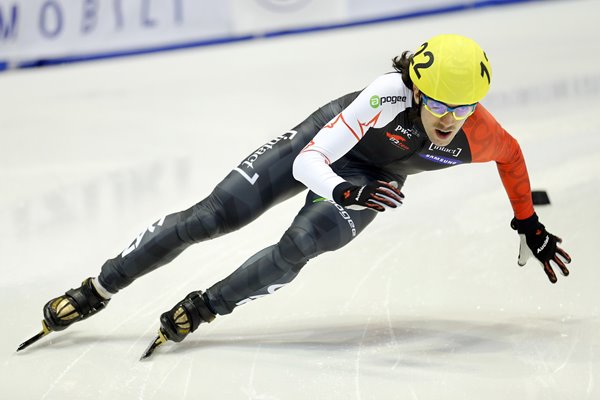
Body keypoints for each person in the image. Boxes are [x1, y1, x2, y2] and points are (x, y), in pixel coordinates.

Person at [20, 34, 572, 358]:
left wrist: (527, 222)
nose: (453, 120)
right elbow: (312, 160)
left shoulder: (478, 131)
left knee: (304, 242)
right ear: (417, 90)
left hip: (372, 179)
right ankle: (98, 287)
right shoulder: (384, 97)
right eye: (443, 106)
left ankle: (204, 307)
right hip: (329, 145)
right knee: (215, 216)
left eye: (466, 107)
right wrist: (344, 186)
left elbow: (513, 157)